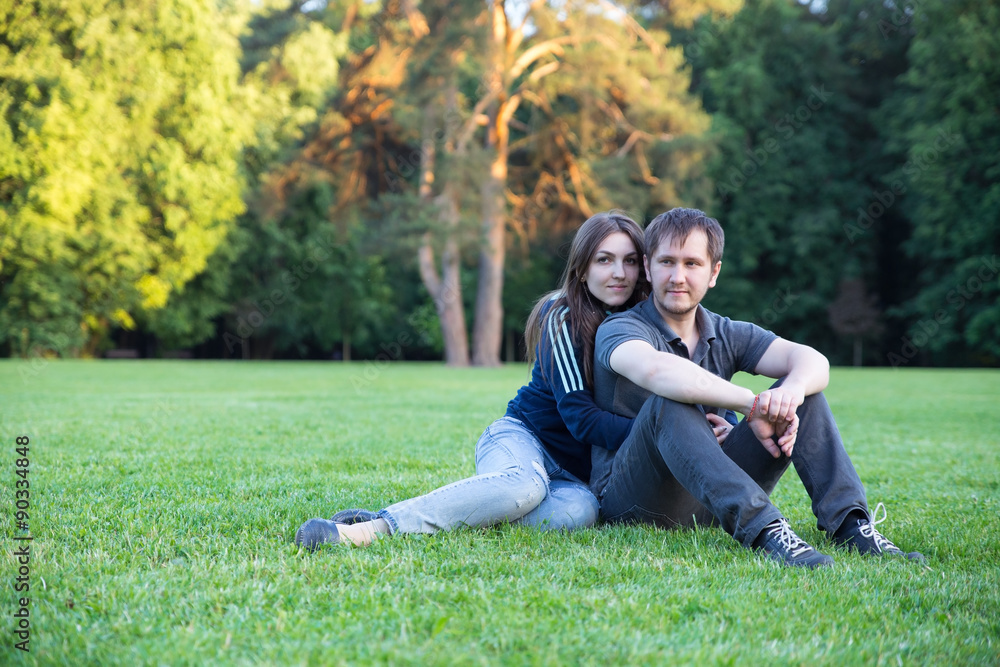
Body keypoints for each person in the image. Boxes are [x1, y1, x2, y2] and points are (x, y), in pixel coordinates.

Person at [590, 207, 924, 568]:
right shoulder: (620, 329)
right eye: (667, 262)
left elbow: (813, 361)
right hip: (636, 500)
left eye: (692, 264)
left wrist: (788, 395)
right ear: (648, 265)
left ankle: (851, 525)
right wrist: (756, 406)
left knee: (801, 394)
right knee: (666, 404)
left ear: (714, 271)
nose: (677, 276)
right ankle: (769, 531)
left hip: (709, 499)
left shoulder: (726, 331)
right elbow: (659, 372)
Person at [296, 210, 650, 550]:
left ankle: (461, 518)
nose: (619, 272)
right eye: (604, 260)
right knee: (526, 486)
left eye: (630, 260)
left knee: (580, 512)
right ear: (582, 269)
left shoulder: (643, 325)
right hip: (523, 440)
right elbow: (581, 419)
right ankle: (376, 526)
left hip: (571, 479)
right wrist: (656, 430)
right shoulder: (562, 314)